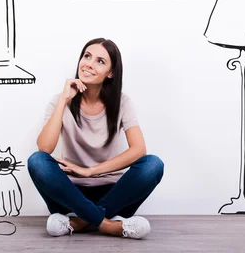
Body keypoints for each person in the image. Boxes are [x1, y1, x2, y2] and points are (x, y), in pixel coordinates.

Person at [27, 38, 164, 239]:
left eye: (100, 61)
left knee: (153, 165)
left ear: (111, 73)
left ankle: (78, 222)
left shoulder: (122, 102)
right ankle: (108, 225)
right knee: (37, 161)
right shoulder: (60, 100)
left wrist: (90, 171)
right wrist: (65, 100)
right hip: (70, 194)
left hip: (114, 193)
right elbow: (44, 148)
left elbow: (138, 150)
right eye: (87, 56)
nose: (89, 64)